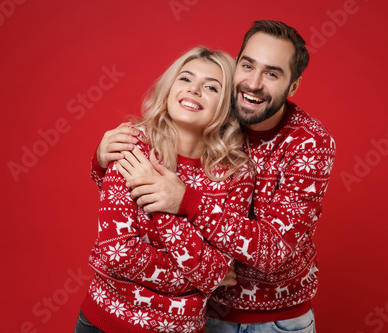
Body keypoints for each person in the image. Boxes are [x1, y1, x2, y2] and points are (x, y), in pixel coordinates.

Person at [94, 20, 336, 333]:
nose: (254, 83)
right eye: (247, 65)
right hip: (201, 311)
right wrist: (103, 160)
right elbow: (137, 195)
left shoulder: (309, 142)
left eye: (272, 73)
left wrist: (185, 201)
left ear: (293, 86)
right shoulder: (214, 109)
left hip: (273, 320)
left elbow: (273, 251)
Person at [75, 47, 255, 333]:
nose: (194, 89)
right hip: (104, 323)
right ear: (170, 87)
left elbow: (219, 267)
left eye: (211, 86)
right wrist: (203, 273)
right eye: (185, 79)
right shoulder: (132, 145)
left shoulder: (237, 174)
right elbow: (117, 253)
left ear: (228, 105)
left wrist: (166, 202)